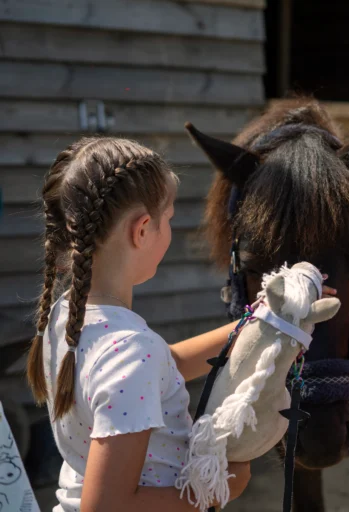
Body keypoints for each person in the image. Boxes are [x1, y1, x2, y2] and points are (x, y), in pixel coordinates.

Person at [24, 137, 255, 512]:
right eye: (169, 219)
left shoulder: (66, 315)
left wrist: (254, 327)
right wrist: (219, 487)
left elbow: (162, 369)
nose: (169, 229)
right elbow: (107, 506)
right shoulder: (132, 352)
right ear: (143, 228)